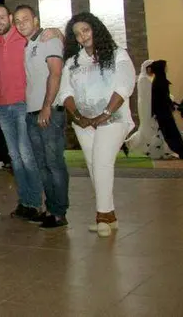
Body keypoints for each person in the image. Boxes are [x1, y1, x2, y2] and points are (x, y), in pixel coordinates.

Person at [60, 12, 136, 237]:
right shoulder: (73, 62)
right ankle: (110, 215)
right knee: (95, 166)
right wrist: (78, 117)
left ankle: (102, 215)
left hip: (113, 119)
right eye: (77, 34)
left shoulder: (117, 54)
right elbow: (65, 92)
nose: (82, 36)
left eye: (86, 30)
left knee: (102, 163)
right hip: (83, 124)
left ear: (95, 29)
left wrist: (104, 114)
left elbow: (124, 85)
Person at [13, 5, 69, 229]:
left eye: (25, 19)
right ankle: (51, 208)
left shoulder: (48, 39)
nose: (21, 24)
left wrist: (47, 106)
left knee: (54, 163)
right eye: (17, 21)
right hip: (32, 112)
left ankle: (59, 212)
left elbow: (55, 73)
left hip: (50, 111)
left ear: (35, 20)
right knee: (42, 164)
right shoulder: (30, 45)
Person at [0, 4, 44, 220]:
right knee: (15, 158)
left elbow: (47, 38)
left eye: (1, 17)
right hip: (2, 106)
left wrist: (53, 31)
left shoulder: (24, 38)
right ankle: (25, 202)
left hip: (23, 104)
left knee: (27, 155)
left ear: (10, 17)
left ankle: (36, 203)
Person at [149, 60, 183, 159]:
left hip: (163, 111)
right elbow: (162, 98)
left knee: (171, 133)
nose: (166, 68)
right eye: (165, 66)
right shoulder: (160, 81)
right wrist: (171, 105)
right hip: (163, 112)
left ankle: (182, 152)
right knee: (172, 133)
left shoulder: (159, 80)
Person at [134, 60, 174, 159]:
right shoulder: (144, 79)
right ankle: (152, 149)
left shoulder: (145, 78)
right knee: (151, 128)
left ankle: (155, 149)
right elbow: (150, 96)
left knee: (149, 128)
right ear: (148, 68)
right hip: (147, 107)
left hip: (147, 106)